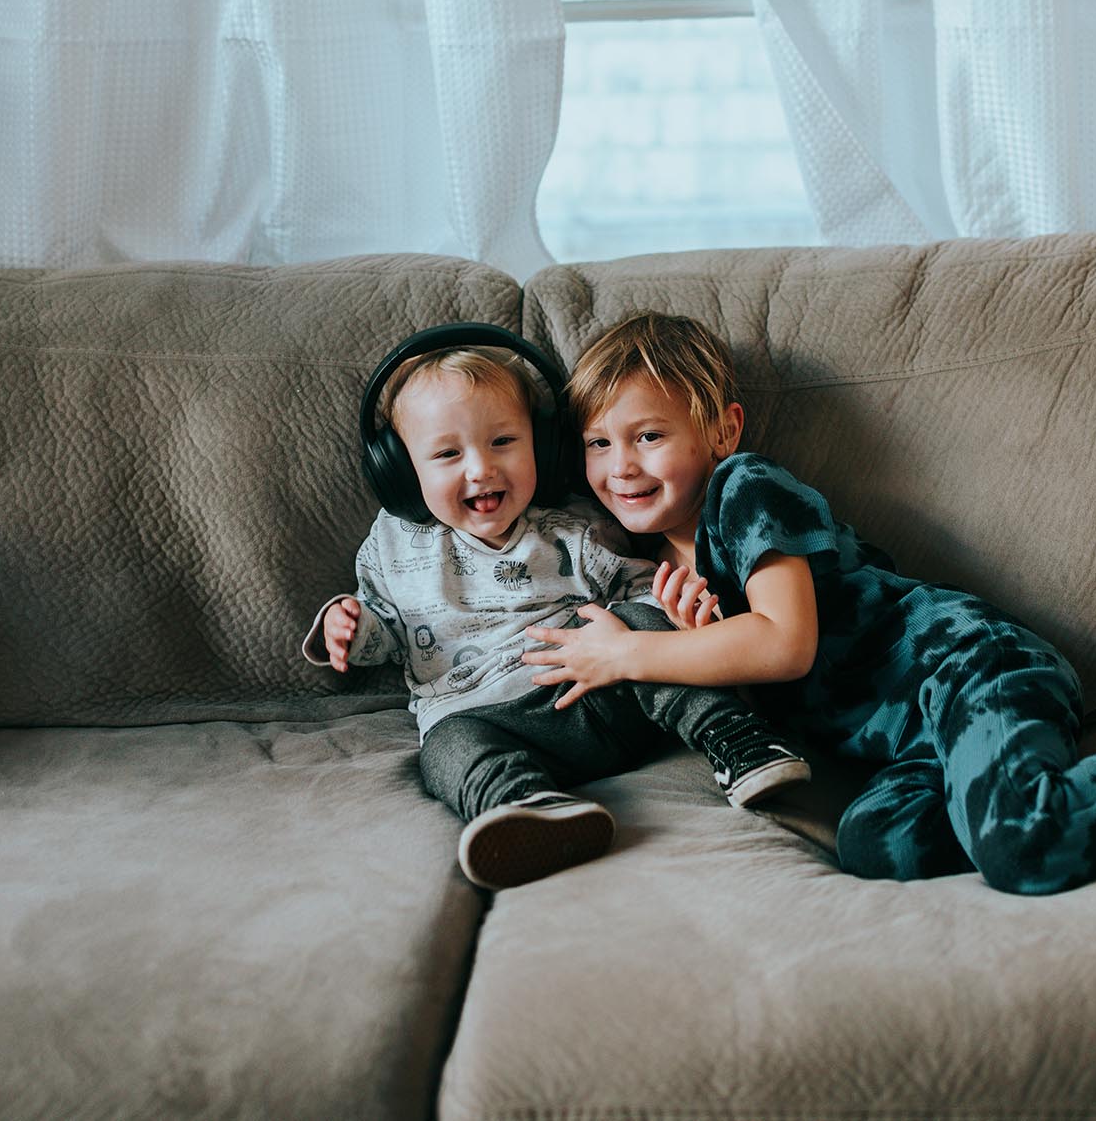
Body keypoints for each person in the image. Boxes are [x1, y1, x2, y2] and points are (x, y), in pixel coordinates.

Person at [520, 311, 1096, 894]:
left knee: (1021, 850)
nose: (619, 465)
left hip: (970, 669)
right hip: (913, 743)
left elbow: (786, 642)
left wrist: (630, 653)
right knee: (877, 844)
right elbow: (766, 683)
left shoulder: (744, 490)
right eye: (597, 443)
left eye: (648, 435)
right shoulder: (659, 571)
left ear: (722, 430)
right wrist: (702, 645)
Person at [303, 334, 809, 892]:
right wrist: (348, 627)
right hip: (488, 717)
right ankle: (523, 806)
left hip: (601, 688)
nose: (480, 469)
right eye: (448, 454)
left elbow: (640, 587)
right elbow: (384, 631)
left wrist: (673, 611)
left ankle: (738, 741)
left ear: (541, 450)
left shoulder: (574, 527)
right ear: (401, 470)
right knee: (444, 748)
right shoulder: (393, 547)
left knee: (644, 626)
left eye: (502, 442)